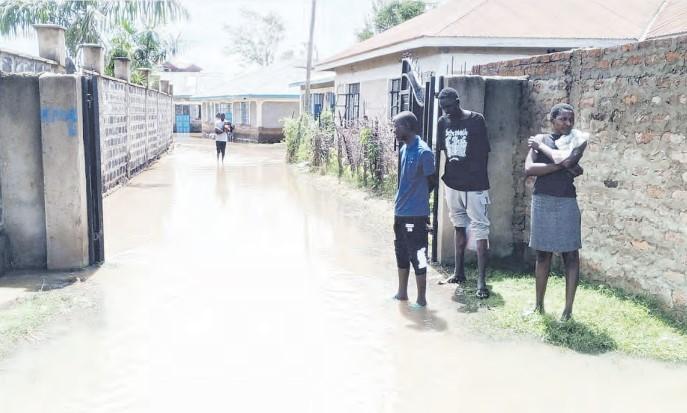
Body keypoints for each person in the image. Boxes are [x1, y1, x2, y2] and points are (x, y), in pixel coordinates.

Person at [525, 103, 585, 321]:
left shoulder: (579, 140)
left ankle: (568, 310)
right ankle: (538, 305)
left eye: (571, 119)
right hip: (542, 200)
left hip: (567, 201)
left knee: (571, 255)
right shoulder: (541, 138)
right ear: (552, 120)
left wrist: (544, 152)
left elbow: (567, 159)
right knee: (543, 255)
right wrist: (567, 167)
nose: (568, 124)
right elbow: (529, 169)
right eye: (563, 119)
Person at [436, 87, 491, 299]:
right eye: (443, 107)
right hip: (452, 183)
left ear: (458, 101)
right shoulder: (443, 122)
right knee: (458, 226)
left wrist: (475, 181)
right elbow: (440, 151)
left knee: (480, 230)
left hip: (475, 185)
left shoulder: (476, 120)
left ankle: (481, 281)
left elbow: (485, 152)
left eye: (449, 106)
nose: (446, 110)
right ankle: (459, 273)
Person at [392, 111, 436, 308]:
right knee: (401, 251)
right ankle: (402, 293)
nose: (394, 130)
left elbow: (432, 181)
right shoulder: (404, 149)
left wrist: (418, 200)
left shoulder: (423, 152)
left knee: (418, 254)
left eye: (397, 126)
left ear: (408, 127)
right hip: (400, 212)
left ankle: (421, 299)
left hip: (416, 215)